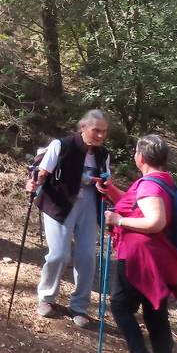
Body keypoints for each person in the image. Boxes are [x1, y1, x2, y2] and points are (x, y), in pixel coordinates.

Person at [97, 134, 177, 353]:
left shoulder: (149, 185)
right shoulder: (161, 181)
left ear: (140, 157)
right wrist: (112, 192)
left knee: (119, 305)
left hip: (141, 257)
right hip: (160, 258)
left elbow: (154, 221)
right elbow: (136, 207)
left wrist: (118, 221)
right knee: (155, 313)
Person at [24, 110, 112, 328]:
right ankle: (46, 298)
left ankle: (79, 307)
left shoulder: (103, 154)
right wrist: (33, 183)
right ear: (83, 127)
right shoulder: (61, 145)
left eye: (104, 132)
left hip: (89, 205)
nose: (100, 136)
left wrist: (104, 185)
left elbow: (106, 179)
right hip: (59, 203)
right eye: (96, 131)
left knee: (87, 256)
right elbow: (42, 172)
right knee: (59, 254)